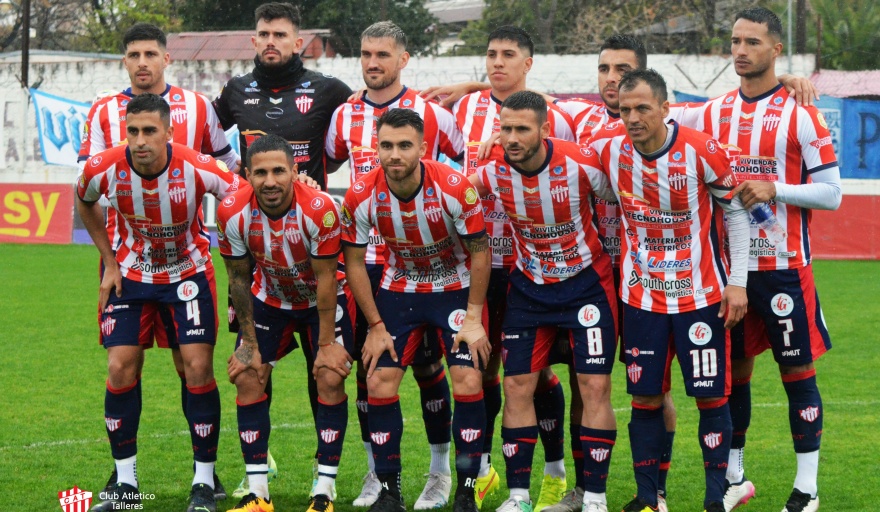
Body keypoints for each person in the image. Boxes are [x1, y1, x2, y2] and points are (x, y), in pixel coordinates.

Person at [674, 8, 842, 512]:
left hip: (787, 269)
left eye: (752, 41)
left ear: (774, 50)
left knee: (798, 375)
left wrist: (777, 187)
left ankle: (806, 488)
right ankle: (735, 476)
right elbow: (637, 109)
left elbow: (832, 193)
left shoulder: (801, 112)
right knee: (734, 376)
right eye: (734, 41)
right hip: (731, 275)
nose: (740, 50)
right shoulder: (709, 112)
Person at [77, 22, 239, 502]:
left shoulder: (196, 120)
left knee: (194, 367)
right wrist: (107, 260)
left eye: (151, 53)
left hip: (187, 271)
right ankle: (124, 481)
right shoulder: (103, 127)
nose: (142, 62)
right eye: (134, 54)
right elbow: (84, 191)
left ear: (167, 58)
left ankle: (204, 478)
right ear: (124, 61)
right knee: (121, 366)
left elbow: (233, 182)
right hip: (127, 271)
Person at [582, 69, 749, 512]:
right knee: (645, 396)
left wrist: (738, 283)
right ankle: (648, 496)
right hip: (641, 298)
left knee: (711, 395)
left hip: (702, 295)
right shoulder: (607, 149)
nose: (632, 117)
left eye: (642, 108)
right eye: (624, 110)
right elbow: (554, 136)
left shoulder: (700, 149)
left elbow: (735, 216)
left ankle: (717, 498)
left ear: (664, 108)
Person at [212, 2, 353, 497]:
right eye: (263, 33)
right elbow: (206, 135)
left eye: (281, 34)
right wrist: (234, 176)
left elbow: (364, 128)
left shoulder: (330, 90)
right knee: (248, 368)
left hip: (312, 238)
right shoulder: (234, 91)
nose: (271, 41)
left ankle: (327, 483)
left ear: (299, 42)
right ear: (254, 41)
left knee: (327, 373)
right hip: (261, 262)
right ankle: (257, 477)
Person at [325, 21, 465, 510]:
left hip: (430, 264)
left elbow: (462, 177)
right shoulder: (343, 116)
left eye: (382, 54)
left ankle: (441, 473)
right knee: (372, 370)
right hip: (370, 264)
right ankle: (376, 475)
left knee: (430, 368)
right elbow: (325, 171)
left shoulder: (433, 115)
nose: (372, 63)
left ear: (403, 59)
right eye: (365, 54)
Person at [468, 91, 619, 512]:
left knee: (594, 386)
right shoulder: (493, 171)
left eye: (521, 129)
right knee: (517, 386)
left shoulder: (581, 162)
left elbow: (623, 197)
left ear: (544, 129)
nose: (511, 138)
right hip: (529, 288)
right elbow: (449, 191)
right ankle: (517, 496)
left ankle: (595, 497)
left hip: (587, 286)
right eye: (505, 128)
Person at [450, 26, 576, 511]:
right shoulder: (463, 109)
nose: (496, 62)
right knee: (480, 371)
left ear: (529, 62)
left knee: (536, 374)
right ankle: (482, 470)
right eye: (490, 54)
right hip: (478, 263)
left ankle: (555, 474)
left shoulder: (554, 116)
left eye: (508, 55)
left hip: (531, 264)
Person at [341, 108, 491, 512]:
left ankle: (466, 489)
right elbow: (354, 262)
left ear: (424, 149)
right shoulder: (360, 194)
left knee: (468, 380)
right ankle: (390, 491)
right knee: (378, 383)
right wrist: (374, 325)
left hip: (455, 287)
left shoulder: (455, 187)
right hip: (400, 287)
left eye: (404, 145)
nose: (394, 154)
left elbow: (480, 252)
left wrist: (475, 318)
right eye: (386, 145)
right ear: (376, 147)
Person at [217, 134, 355, 512]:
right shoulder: (231, 211)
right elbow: (239, 279)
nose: (270, 180)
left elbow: (327, 279)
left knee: (329, 376)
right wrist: (248, 343)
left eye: (279, 170)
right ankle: (258, 493)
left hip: (321, 301)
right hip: (270, 298)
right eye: (260, 172)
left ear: (295, 171)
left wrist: (327, 345)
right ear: (247, 175)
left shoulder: (320, 209)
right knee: (247, 374)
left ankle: (324, 490)